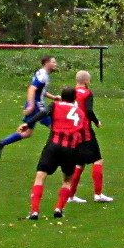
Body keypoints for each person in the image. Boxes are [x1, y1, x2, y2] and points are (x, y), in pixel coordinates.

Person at [21, 87, 86, 220]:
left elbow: (42, 113)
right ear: (74, 98)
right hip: (70, 149)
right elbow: (81, 133)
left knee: (40, 176)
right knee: (67, 180)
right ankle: (58, 209)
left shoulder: (55, 105)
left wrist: (28, 124)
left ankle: (34, 211)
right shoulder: (80, 112)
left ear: (62, 97)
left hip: (53, 146)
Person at [0, 56, 58, 158]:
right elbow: (32, 89)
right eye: (53, 62)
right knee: (56, 127)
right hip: (37, 106)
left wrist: (53, 97)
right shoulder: (43, 75)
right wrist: (31, 105)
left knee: (27, 132)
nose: (56, 64)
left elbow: (40, 90)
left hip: (34, 105)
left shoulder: (42, 73)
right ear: (46, 63)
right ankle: (53, 154)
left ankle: (2, 143)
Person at [69, 70, 111, 203]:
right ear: (87, 81)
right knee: (97, 160)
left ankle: (71, 195)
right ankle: (98, 194)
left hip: (73, 131)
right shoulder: (87, 93)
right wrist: (96, 121)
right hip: (85, 131)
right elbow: (88, 110)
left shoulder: (70, 93)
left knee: (79, 163)